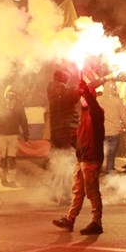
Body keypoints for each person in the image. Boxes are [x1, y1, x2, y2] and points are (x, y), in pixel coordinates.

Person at [52, 79, 105, 235]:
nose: (81, 99)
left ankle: (97, 223)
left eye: (85, 97)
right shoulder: (84, 116)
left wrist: (87, 92)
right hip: (82, 159)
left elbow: (93, 105)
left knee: (93, 192)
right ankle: (70, 219)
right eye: (81, 96)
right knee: (77, 192)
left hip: (91, 159)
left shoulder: (97, 113)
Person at [46, 66, 80, 200]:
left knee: (60, 162)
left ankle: (53, 192)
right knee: (68, 162)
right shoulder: (62, 91)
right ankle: (65, 196)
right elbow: (75, 95)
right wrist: (79, 88)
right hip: (67, 131)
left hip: (57, 131)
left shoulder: (52, 89)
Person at [0, 85, 29, 188]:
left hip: (13, 135)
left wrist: (26, 133)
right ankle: (3, 177)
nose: (11, 98)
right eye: (9, 95)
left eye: (13, 96)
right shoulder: (1, 105)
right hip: (2, 135)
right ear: (5, 96)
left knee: (12, 158)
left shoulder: (19, 106)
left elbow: (23, 120)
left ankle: (12, 180)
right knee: (3, 157)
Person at [97, 80, 126, 174]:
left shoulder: (99, 100)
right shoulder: (118, 101)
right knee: (111, 156)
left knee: (100, 154)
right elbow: (124, 116)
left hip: (101, 132)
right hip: (114, 132)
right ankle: (109, 174)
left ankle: (97, 172)